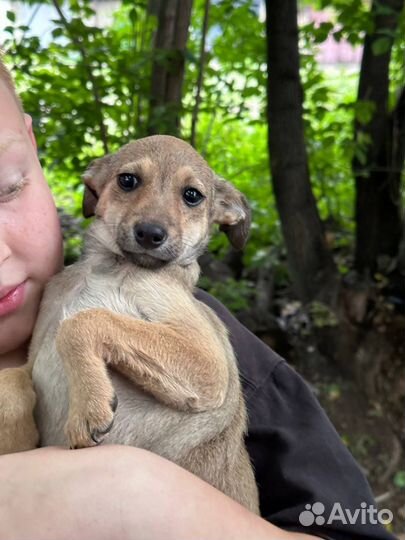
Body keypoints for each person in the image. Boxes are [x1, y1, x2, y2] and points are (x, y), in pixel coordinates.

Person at [0, 55, 397, 540]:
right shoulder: (60, 293)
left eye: (191, 198)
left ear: (224, 216)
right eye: (130, 183)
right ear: (98, 191)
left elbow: (209, 381)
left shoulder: (215, 335)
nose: (153, 220)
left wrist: (126, 494)